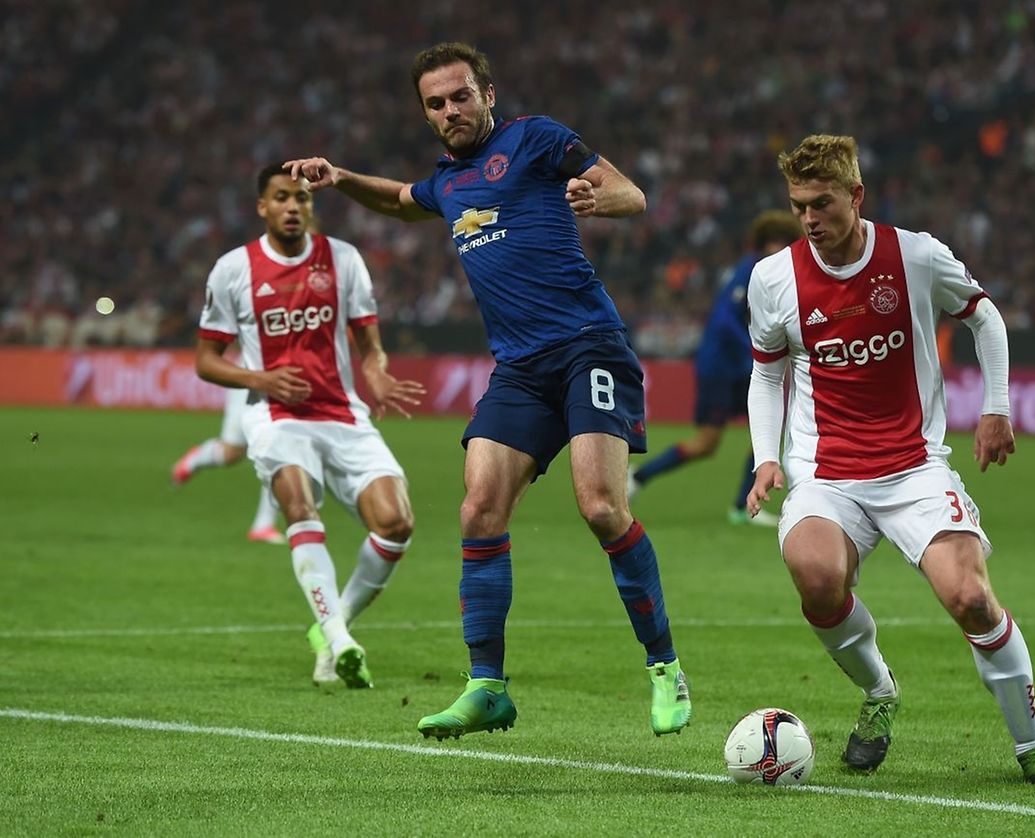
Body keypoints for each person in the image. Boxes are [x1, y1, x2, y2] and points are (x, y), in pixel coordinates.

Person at [284, 42, 691, 740]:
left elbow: (631, 192)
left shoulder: (536, 139)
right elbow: (403, 202)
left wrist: (599, 199)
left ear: (487, 94)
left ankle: (664, 669)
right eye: (435, 104)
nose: (449, 110)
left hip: (589, 345)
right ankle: (487, 687)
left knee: (599, 506)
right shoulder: (447, 183)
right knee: (478, 508)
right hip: (520, 371)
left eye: (459, 96)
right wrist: (341, 176)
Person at [745, 134, 1035, 785]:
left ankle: (1032, 745)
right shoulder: (773, 278)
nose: (809, 218)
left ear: (856, 195)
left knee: (971, 597)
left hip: (916, 470)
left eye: (822, 203)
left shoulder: (915, 255)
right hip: (827, 476)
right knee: (814, 573)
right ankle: (880, 690)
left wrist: (997, 406)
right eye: (799, 204)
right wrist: (765, 459)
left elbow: (984, 316)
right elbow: (766, 373)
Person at [195, 163, 425, 690]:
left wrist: (379, 376)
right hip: (276, 417)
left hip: (342, 414)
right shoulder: (234, 269)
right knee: (298, 503)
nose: (293, 206)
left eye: (301, 197)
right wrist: (263, 378)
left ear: (311, 205)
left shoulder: (343, 260)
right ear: (263, 207)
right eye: (281, 198)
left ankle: (330, 627)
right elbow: (206, 360)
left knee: (397, 523)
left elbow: (369, 344)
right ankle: (340, 641)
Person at [627, 211, 803, 528]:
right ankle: (638, 476)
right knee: (707, 444)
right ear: (764, 243)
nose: (779, 249)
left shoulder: (772, 271)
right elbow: (724, 320)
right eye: (774, 242)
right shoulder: (750, 270)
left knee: (766, 430)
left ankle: (742, 507)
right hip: (720, 366)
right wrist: (756, 352)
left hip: (738, 366)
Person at [171, 385, 285, 545]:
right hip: (247, 383)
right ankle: (195, 459)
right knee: (231, 453)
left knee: (280, 452)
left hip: (281, 388)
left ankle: (263, 526)